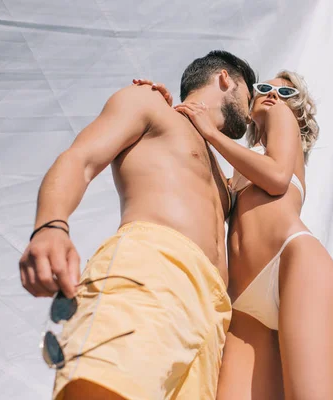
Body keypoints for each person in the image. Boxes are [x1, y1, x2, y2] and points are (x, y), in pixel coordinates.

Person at [18, 50, 256, 400]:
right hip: (152, 270)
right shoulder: (150, 103)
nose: (250, 116)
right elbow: (81, 158)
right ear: (225, 78)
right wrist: (50, 225)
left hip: (211, 318)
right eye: (249, 98)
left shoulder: (224, 174)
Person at [149, 71, 333, 399]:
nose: (274, 96)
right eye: (266, 88)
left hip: (294, 264)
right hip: (243, 299)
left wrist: (211, 135)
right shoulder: (240, 164)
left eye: (286, 93)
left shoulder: (280, 120)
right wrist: (168, 113)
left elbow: (276, 178)